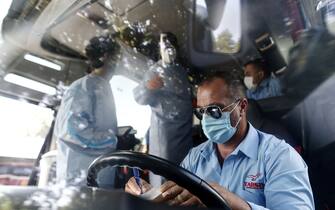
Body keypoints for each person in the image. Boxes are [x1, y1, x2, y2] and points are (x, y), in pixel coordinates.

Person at [126, 71, 314, 210]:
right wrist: (151, 194)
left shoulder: (279, 157)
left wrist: (236, 204)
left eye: (214, 110)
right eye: (201, 112)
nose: (206, 119)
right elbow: (177, 200)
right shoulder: (195, 157)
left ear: (241, 106)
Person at [54, 35, 121, 186]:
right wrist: (115, 140)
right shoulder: (82, 87)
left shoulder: (103, 87)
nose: (119, 62)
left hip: (98, 179)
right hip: (79, 179)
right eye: (116, 56)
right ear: (105, 57)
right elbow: (74, 133)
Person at [133, 32, 193, 186]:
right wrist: (148, 87)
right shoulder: (155, 70)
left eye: (171, 43)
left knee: (186, 174)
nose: (169, 48)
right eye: (165, 44)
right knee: (165, 177)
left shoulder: (181, 71)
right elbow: (139, 97)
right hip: (166, 134)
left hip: (185, 131)